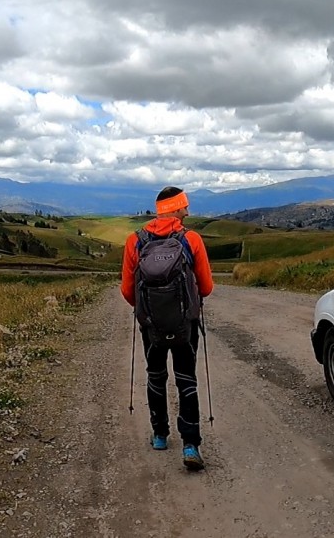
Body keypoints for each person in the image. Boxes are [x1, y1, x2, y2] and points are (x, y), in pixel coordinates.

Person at [120, 186, 214, 470]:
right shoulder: (191, 239)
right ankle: (190, 444)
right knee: (186, 379)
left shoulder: (134, 241)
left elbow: (127, 290)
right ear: (175, 208)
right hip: (185, 324)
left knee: (155, 375)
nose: (187, 211)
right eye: (184, 206)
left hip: (151, 326)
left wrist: (148, 310)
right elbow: (206, 287)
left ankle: (160, 435)